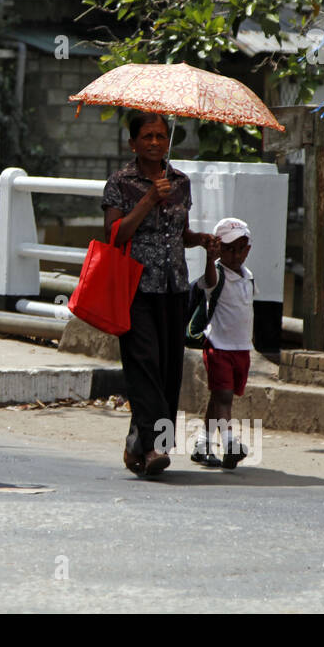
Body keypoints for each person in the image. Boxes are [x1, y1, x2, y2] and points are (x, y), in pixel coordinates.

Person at [102, 112, 214, 478]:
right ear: (132, 143)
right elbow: (115, 235)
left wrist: (199, 240)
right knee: (144, 365)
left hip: (174, 287)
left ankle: (138, 442)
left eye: (161, 136)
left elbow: (179, 234)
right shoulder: (120, 183)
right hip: (135, 287)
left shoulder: (180, 182)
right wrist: (149, 198)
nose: (154, 142)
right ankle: (155, 448)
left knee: (168, 373)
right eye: (147, 136)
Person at [190, 217, 255, 469]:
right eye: (228, 248)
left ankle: (202, 444)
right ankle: (230, 444)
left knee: (219, 398)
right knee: (224, 396)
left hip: (241, 349)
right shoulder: (216, 273)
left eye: (240, 248)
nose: (235, 255)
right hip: (218, 347)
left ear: (247, 249)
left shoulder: (248, 277)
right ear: (218, 249)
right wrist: (209, 258)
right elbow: (209, 281)